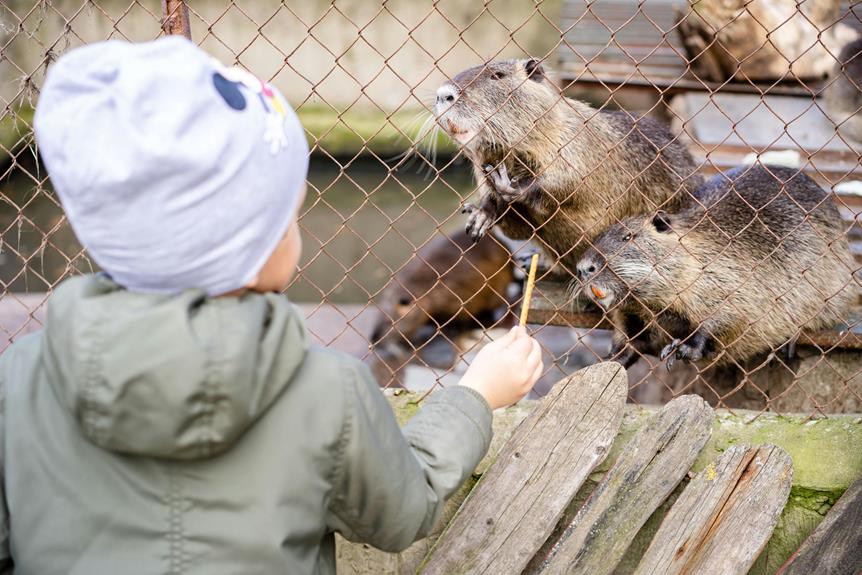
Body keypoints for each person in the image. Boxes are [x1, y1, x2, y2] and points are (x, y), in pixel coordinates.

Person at [0, 37, 543, 574]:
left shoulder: (17, 380)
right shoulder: (329, 393)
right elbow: (404, 511)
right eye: (286, 214)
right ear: (252, 246)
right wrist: (476, 394)